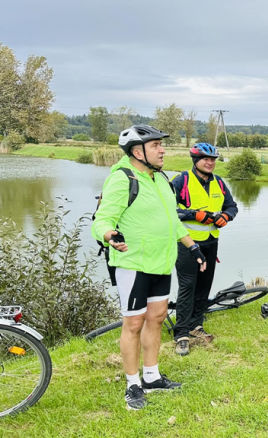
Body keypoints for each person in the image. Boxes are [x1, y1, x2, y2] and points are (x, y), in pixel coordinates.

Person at [91, 125, 207, 410]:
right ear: (136, 151)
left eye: (160, 145)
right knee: (133, 323)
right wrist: (109, 235)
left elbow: (174, 221)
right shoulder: (122, 179)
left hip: (161, 262)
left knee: (156, 318)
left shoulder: (160, 179)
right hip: (133, 263)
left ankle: (152, 377)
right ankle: (133, 384)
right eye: (155, 145)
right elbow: (101, 219)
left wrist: (193, 247)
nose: (162, 149)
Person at [170, 143, 238, 356]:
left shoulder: (218, 182)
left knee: (204, 285)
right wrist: (195, 214)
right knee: (188, 286)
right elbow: (170, 211)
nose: (210, 162)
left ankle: (195, 325)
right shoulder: (181, 181)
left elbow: (232, 206)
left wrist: (226, 217)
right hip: (187, 243)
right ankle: (181, 333)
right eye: (205, 159)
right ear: (195, 160)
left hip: (211, 241)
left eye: (213, 159)